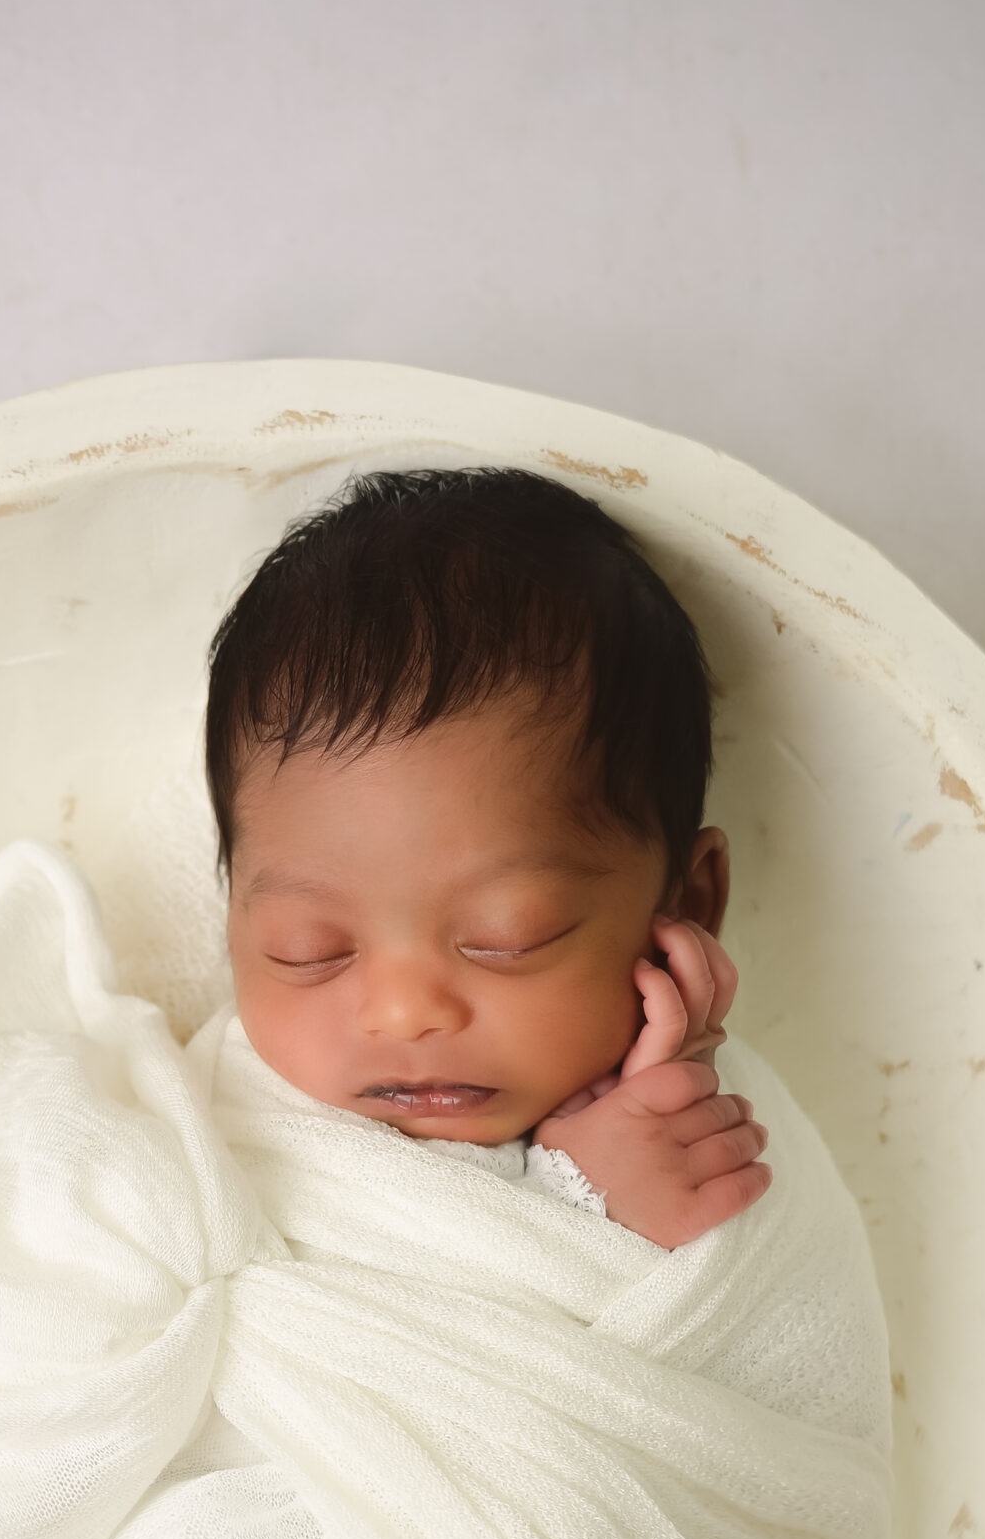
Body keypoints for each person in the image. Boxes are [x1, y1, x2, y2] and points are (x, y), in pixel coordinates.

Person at [203, 466, 771, 1249]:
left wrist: (621, 1215)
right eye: (310, 951)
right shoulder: (193, 1130)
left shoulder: (699, 1131)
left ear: (687, 902)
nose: (403, 1012)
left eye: (509, 939)